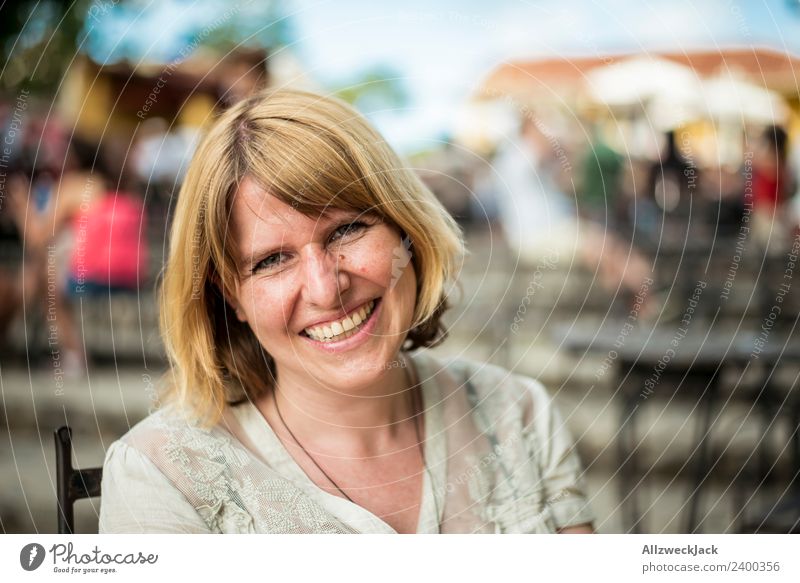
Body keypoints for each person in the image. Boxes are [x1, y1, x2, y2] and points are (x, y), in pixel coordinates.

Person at [99, 89, 594, 534]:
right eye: (271, 260)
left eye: (346, 230)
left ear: (406, 230)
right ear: (231, 296)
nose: (325, 288)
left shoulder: (519, 413)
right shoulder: (162, 476)